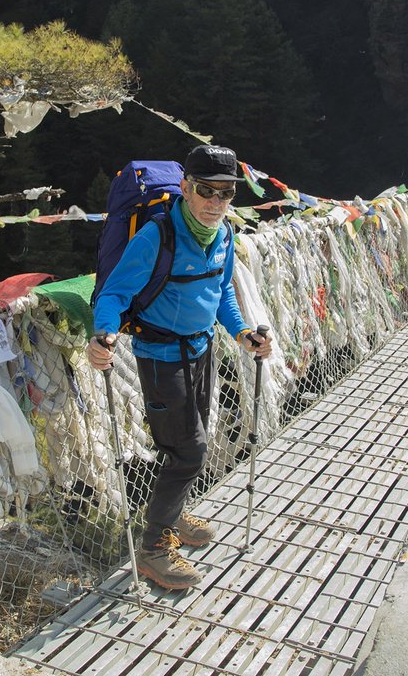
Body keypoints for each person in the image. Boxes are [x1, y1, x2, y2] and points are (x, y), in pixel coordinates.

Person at [87, 144, 273, 590]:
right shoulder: (158, 236)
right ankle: (153, 549)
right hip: (161, 357)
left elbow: (221, 292)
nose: (215, 202)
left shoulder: (223, 235)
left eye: (226, 193)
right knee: (190, 451)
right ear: (186, 188)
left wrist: (243, 333)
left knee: (187, 444)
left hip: (201, 350)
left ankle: (171, 516)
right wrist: (104, 334)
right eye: (206, 190)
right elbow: (114, 294)